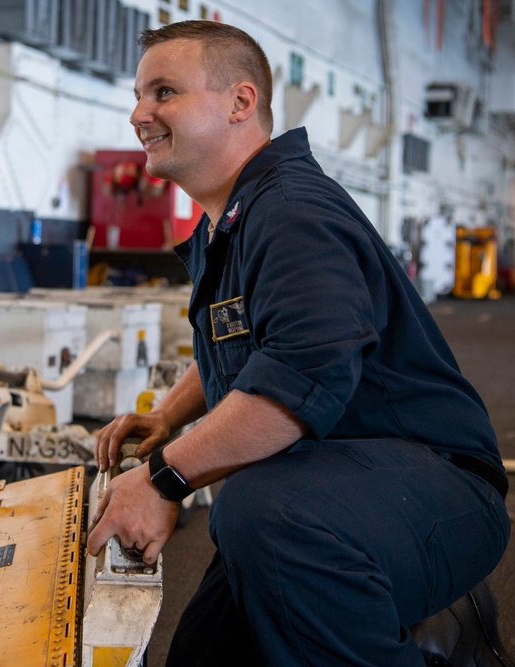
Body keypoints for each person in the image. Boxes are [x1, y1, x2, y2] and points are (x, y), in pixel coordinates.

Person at [84, 20, 510, 666]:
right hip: (335, 484)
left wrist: (164, 478)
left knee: (259, 517)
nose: (140, 112)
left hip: (436, 486)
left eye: (164, 92)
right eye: (140, 95)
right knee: (203, 649)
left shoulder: (289, 213)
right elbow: (250, 338)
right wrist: (169, 415)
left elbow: (298, 376)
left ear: (241, 102)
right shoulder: (235, 217)